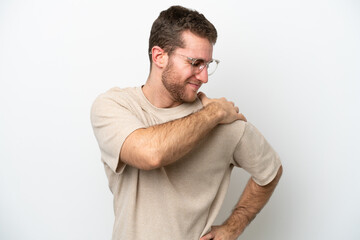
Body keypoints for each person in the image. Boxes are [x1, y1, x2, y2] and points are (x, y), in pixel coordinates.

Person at [91, 5, 282, 240]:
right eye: (195, 63)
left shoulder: (228, 125)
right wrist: (213, 114)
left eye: (208, 65)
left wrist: (234, 226)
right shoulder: (115, 106)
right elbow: (151, 154)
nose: (203, 76)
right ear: (159, 56)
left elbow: (270, 171)